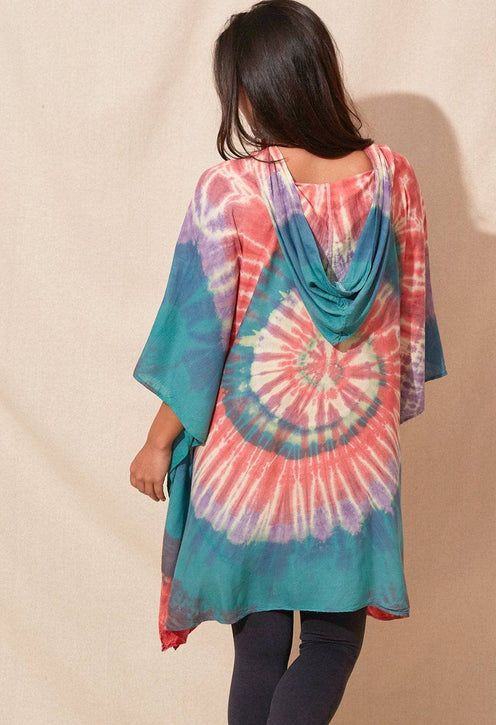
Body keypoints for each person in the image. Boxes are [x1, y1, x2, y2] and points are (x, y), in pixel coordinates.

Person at [129, 1, 448, 723]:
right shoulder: (395, 179)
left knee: (260, 649)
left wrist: (157, 441)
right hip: (354, 464)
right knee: (332, 643)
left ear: (251, 89)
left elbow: (198, 337)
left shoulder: (229, 190)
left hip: (246, 463)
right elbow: (408, 317)